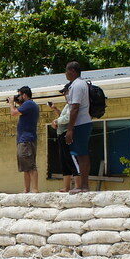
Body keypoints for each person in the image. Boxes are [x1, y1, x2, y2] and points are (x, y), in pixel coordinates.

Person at [63, 61, 93, 193]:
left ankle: (84, 186)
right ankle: (82, 185)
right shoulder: (80, 84)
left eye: (67, 71)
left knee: (82, 154)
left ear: (73, 71)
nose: (65, 73)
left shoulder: (77, 85)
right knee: (80, 154)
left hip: (81, 123)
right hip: (83, 122)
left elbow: (75, 108)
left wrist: (70, 129)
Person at [8, 85, 39, 193]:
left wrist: (11, 103)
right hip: (24, 139)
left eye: (20, 95)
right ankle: (26, 189)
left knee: (30, 165)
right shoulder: (28, 105)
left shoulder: (29, 104)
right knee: (25, 166)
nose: (18, 97)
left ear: (25, 95)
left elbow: (13, 113)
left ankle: (34, 189)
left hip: (26, 139)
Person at [47, 85, 77, 192]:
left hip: (67, 134)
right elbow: (62, 117)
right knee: (64, 161)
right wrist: (55, 108)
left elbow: (68, 118)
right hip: (61, 134)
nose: (65, 95)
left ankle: (78, 185)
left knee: (72, 160)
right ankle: (67, 186)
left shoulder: (74, 104)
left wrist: (56, 121)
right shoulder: (67, 105)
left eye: (66, 92)